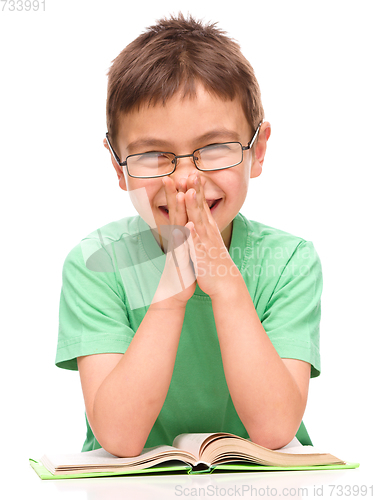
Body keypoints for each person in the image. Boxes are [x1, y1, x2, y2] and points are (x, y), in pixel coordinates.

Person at [56, 14, 322, 458]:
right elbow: (119, 438)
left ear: (256, 152)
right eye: (154, 155)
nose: (185, 181)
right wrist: (172, 291)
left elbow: (275, 428)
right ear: (118, 167)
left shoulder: (289, 261)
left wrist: (227, 287)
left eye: (214, 149)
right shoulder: (95, 262)